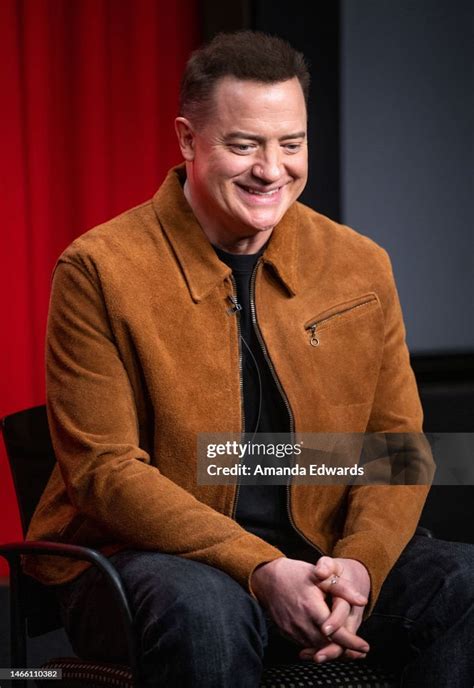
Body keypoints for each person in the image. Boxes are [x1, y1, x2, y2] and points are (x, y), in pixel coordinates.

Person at [24, 31, 473, 687]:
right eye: (244, 145)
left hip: (319, 555)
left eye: (291, 144)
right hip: (151, 561)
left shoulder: (360, 264)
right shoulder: (99, 270)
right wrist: (259, 568)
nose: (272, 169)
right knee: (205, 607)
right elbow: (103, 472)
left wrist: (360, 566)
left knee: (462, 580)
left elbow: (395, 445)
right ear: (187, 140)